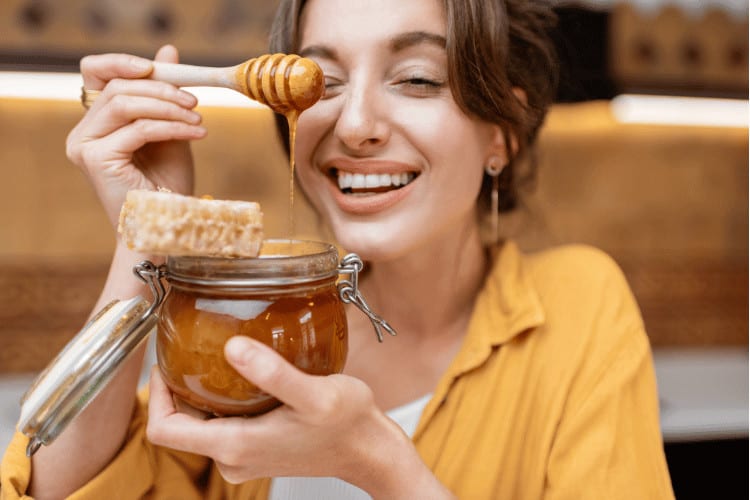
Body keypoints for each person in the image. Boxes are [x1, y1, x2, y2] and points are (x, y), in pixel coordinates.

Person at [1, 0, 675, 498]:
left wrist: (377, 464)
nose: (354, 126)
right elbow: (57, 484)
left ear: (502, 133)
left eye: (415, 79)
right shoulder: (261, 319)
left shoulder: (579, 306)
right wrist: (149, 225)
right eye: (321, 83)